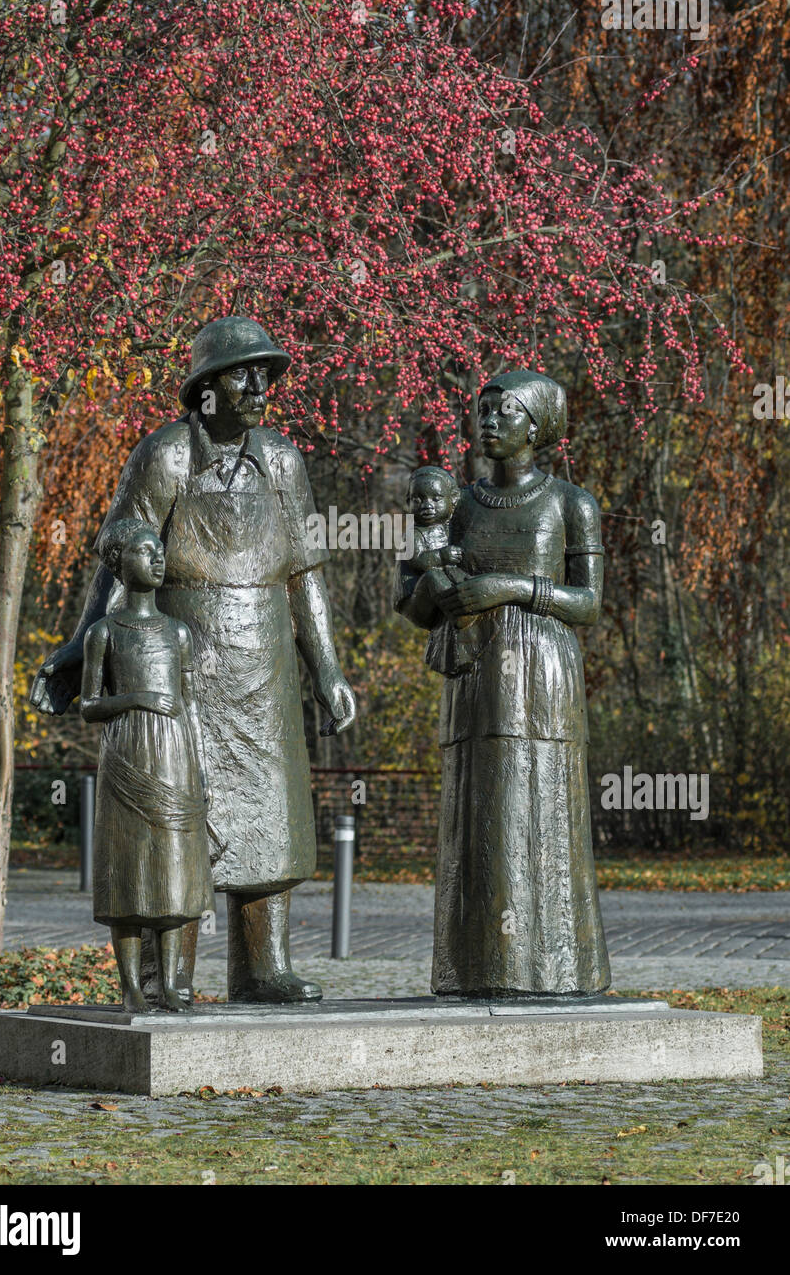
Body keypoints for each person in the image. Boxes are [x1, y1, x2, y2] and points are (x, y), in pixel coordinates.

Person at [31, 316, 356, 1004]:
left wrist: (326, 669)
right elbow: (121, 561)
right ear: (204, 387)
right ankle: (159, 974)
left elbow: (304, 574)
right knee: (176, 815)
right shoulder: (167, 455)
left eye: (265, 374)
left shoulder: (283, 462)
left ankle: (263, 967)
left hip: (264, 657)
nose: (259, 387)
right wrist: (80, 644)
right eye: (243, 373)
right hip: (184, 656)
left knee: (272, 810)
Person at [395, 370, 610, 997]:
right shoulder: (452, 503)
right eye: (482, 410)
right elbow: (408, 601)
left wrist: (512, 588)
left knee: (543, 805)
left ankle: (558, 969)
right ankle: (477, 968)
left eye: (503, 412)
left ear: (536, 428)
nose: (486, 422)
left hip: (542, 668)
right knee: (482, 808)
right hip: (474, 667)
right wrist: (439, 590)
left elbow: (589, 604)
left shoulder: (572, 503)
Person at [80, 519, 215, 1013]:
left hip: (176, 753)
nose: (157, 559)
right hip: (127, 754)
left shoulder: (177, 631)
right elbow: (89, 704)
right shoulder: (103, 632)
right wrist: (135, 698)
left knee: (174, 866)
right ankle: (131, 985)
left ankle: (173, 985)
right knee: (129, 868)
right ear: (119, 564)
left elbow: (192, 703)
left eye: (159, 551)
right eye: (144, 551)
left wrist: (201, 770)